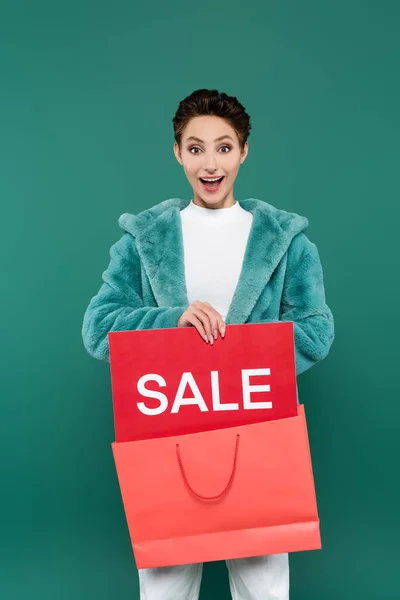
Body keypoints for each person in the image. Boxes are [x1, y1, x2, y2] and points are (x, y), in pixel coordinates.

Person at [82, 88, 335, 600]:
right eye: (195, 148)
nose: (210, 163)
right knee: (166, 586)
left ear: (244, 150)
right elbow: (98, 328)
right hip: (167, 435)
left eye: (224, 147)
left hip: (256, 433)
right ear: (178, 153)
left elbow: (315, 330)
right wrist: (172, 321)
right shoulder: (144, 239)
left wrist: (234, 352)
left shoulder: (285, 241)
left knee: (264, 585)